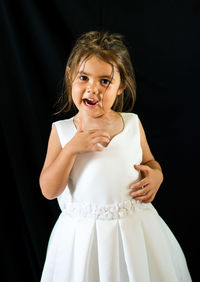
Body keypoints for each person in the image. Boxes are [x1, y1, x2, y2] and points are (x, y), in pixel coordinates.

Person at [39, 31, 192, 282]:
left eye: (105, 81)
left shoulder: (131, 124)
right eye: (84, 77)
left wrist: (156, 176)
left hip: (133, 232)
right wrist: (72, 149)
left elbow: (151, 162)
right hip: (82, 240)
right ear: (70, 77)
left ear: (121, 86)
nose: (93, 89)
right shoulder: (63, 132)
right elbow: (49, 189)